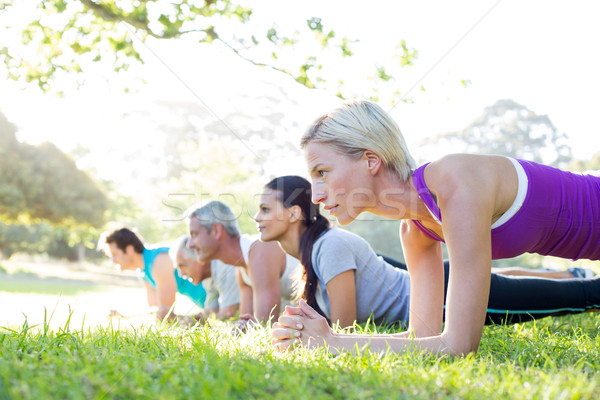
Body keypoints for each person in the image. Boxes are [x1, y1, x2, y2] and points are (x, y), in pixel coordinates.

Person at [272, 99, 600, 356]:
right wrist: (329, 337)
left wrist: (331, 344)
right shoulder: (415, 231)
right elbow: (423, 336)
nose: (315, 194)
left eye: (322, 172)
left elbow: (459, 346)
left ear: (371, 160)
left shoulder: (455, 181)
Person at [259, 175, 600, 330]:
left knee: (578, 297)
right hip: (428, 287)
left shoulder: (329, 246)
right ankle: (574, 276)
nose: (256, 218)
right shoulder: (310, 257)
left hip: (440, 300)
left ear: (293, 213)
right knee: (506, 279)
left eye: (264, 208)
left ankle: (579, 279)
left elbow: (343, 326)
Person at [186, 200, 299, 327]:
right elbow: (246, 326)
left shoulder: (259, 252)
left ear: (216, 231)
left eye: (194, 234)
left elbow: (264, 326)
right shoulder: (242, 270)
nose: (189, 244)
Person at [101, 228, 207, 322]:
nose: (113, 260)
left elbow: (165, 313)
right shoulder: (142, 272)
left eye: (114, 254)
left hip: (218, 301)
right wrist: (125, 317)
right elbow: (155, 309)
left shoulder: (160, 260)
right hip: (209, 307)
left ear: (129, 249)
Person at [171, 234, 240, 320]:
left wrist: (196, 321)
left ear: (198, 257)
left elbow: (227, 315)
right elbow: (210, 313)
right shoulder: (208, 278)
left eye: (182, 266)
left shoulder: (226, 267)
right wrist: (179, 318)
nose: (180, 274)